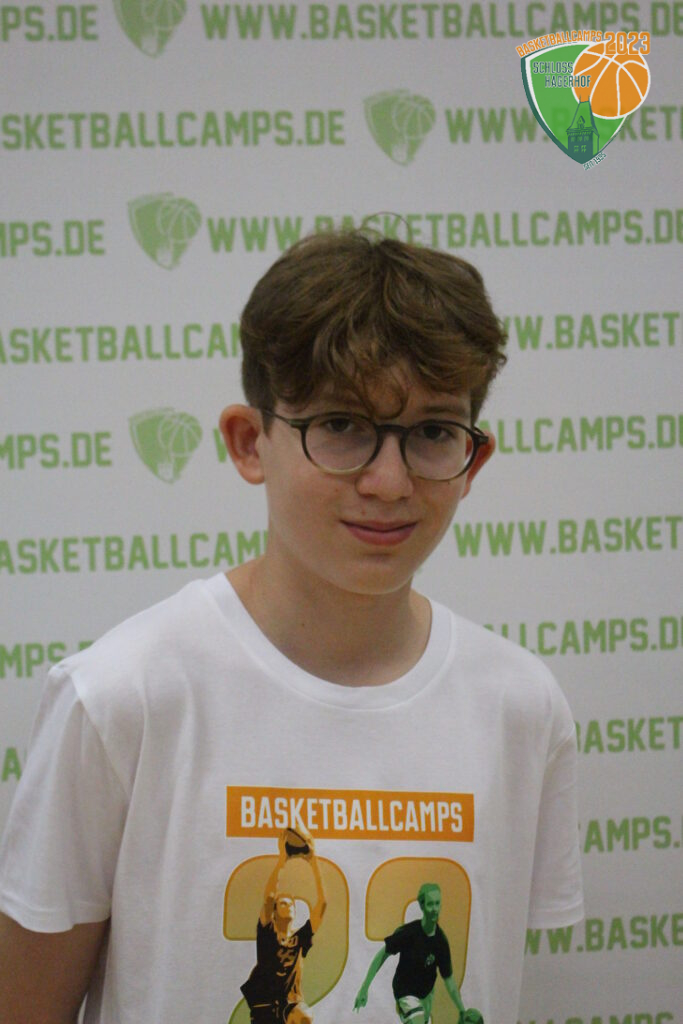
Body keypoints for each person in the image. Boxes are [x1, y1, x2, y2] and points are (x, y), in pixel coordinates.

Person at [0, 228, 583, 1024]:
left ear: (471, 460)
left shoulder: (520, 705)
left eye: (431, 434)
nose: (388, 482)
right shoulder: (120, 696)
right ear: (250, 443)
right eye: (341, 425)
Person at [354, 882, 478, 1024]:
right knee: (417, 1021)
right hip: (405, 991)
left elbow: (449, 981)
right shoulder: (409, 933)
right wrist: (364, 988)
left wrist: (462, 1010)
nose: (434, 909)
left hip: (426, 995)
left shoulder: (441, 942)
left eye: (437, 904)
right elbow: (382, 955)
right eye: (430, 904)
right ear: (422, 906)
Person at [241, 832, 326, 1024]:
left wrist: (313, 861)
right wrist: (282, 859)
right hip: (265, 1004)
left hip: (291, 1003)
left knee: (305, 1017)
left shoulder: (300, 938)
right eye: (283, 903)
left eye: (291, 904)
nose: (288, 906)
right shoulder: (268, 933)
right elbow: (269, 898)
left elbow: (322, 904)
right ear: (275, 912)